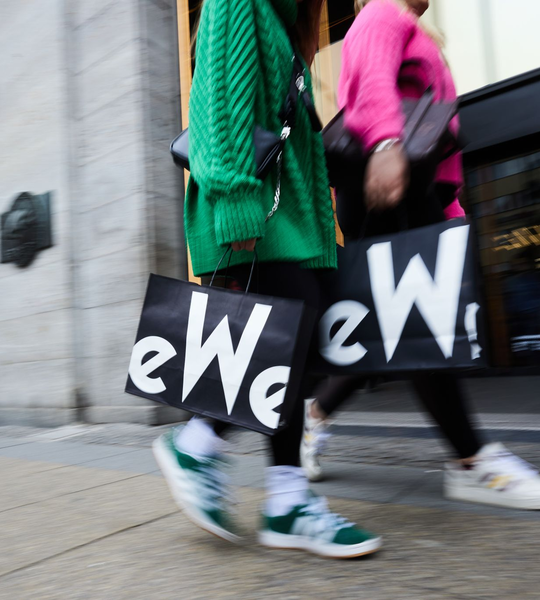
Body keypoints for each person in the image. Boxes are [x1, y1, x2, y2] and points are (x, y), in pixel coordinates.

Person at [300, 0, 540, 512]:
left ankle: (315, 414)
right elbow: (369, 79)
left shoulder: (412, 26)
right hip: (386, 181)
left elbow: (433, 135)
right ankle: (472, 461)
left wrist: (449, 212)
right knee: (420, 325)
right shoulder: (383, 12)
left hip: (408, 184)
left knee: (394, 327)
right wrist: (385, 144)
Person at [152, 0, 381, 559]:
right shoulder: (243, 3)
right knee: (284, 343)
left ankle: (286, 501)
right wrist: (237, 206)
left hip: (292, 218)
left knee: (294, 357)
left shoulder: (285, 22)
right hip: (259, 211)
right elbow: (219, 104)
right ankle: (198, 442)